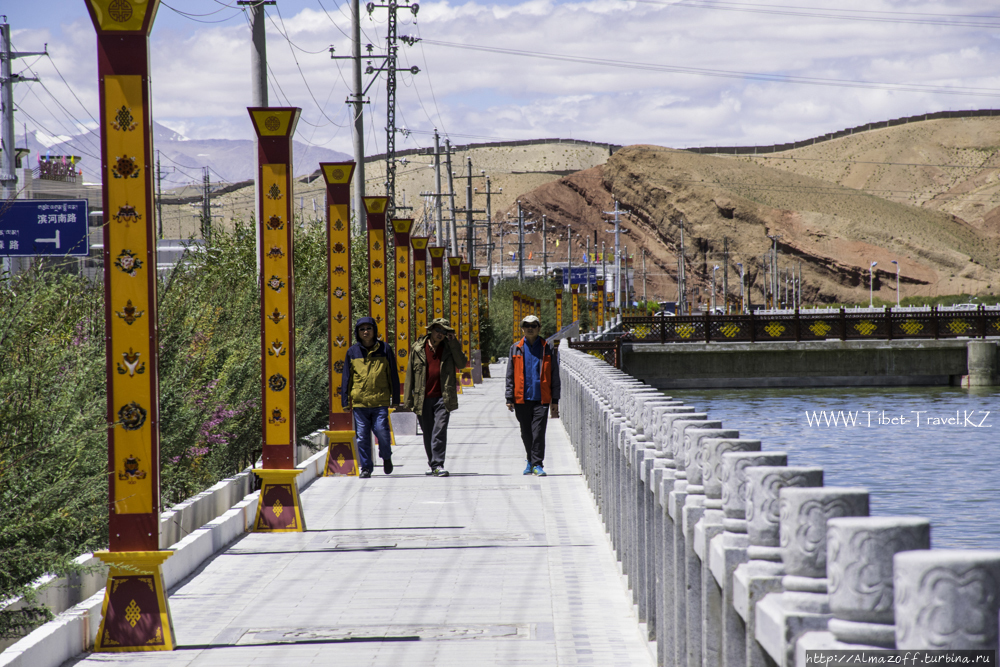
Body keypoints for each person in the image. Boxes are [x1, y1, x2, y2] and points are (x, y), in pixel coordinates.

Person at [402, 318, 467, 477]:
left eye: (444, 332)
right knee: (428, 432)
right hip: (422, 397)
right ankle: (433, 464)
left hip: (443, 397)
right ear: (431, 330)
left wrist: (453, 343)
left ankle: (438, 463)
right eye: (438, 330)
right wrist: (407, 399)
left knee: (439, 430)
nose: (441, 334)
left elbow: (462, 363)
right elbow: (410, 374)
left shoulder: (449, 348)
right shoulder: (417, 348)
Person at [341, 316, 400, 478]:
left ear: (374, 330)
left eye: (368, 328)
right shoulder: (352, 352)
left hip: (380, 400)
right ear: (357, 332)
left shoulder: (385, 349)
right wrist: (345, 401)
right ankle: (366, 468)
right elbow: (347, 377)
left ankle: (386, 456)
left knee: (381, 431)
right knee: (362, 437)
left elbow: (392, 374)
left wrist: (395, 398)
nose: (365, 332)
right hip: (360, 402)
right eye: (362, 329)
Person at [505, 314, 560, 477]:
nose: (530, 328)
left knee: (538, 432)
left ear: (538, 328)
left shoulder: (547, 348)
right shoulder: (515, 348)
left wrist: (555, 400)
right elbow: (510, 374)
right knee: (526, 432)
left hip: (541, 399)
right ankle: (530, 459)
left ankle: (537, 464)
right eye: (526, 325)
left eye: (533, 325)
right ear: (522, 328)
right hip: (521, 398)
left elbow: (554, 374)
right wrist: (509, 397)